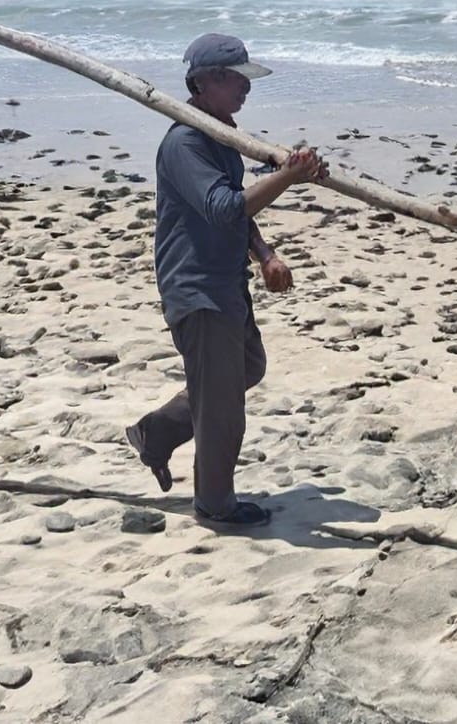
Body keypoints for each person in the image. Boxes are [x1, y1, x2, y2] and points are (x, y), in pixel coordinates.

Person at [125, 33, 323, 528]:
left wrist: (265, 253)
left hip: (224, 281)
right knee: (223, 409)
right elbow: (223, 208)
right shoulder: (186, 143)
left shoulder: (221, 139)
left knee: (246, 369)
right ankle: (215, 504)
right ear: (206, 82)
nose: (245, 89)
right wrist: (288, 177)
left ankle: (158, 431)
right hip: (196, 286)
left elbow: (236, 211)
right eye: (236, 79)